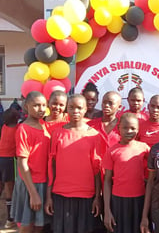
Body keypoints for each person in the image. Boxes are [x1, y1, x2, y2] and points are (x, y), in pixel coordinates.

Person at [45, 94, 102, 233]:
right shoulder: (57, 133)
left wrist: (97, 197)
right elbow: (52, 166)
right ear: (66, 109)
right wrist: (48, 196)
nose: (75, 111)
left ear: (85, 109)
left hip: (86, 196)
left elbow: (97, 169)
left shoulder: (94, 135)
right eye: (71, 107)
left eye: (79, 108)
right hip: (61, 195)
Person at [103, 113, 150, 233]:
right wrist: (107, 210)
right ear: (118, 128)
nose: (129, 131)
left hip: (139, 200)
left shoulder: (144, 148)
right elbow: (107, 181)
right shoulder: (111, 151)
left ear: (138, 130)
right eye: (125, 128)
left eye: (133, 128)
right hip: (118, 201)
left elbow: (153, 171)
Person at [11, 91, 50, 233]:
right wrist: (33, 193)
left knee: (39, 225)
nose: (41, 109)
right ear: (27, 106)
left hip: (43, 182)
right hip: (30, 183)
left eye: (44, 105)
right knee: (27, 224)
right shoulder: (24, 129)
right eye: (36, 105)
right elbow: (22, 163)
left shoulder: (45, 126)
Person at [0, 108, 19, 229]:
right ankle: (10, 219)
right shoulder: (17, 129)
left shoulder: (4, 128)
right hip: (9, 160)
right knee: (9, 189)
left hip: (0, 157)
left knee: (1, 187)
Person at [88, 91, 122, 159]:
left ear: (119, 107)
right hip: (94, 167)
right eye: (104, 102)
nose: (106, 105)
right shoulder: (90, 125)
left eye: (110, 103)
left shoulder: (123, 126)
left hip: (116, 167)